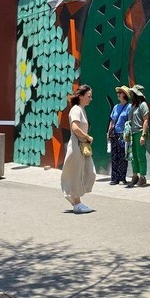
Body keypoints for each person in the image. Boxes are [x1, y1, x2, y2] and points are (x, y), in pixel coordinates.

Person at [60, 85, 96, 213]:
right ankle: (77, 203)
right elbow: (75, 128)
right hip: (77, 146)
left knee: (90, 172)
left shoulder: (81, 109)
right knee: (77, 174)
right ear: (80, 96)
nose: (91, 99)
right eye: (88, 96)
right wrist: (87, 137)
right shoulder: (76, 109)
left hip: (82, 147)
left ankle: (73, 197)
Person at [125, 85, 150, 188]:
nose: (131, 94)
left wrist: (143, 135)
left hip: (140, 132)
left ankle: (142, 177)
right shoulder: (133, 106)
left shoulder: (143, 105)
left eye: (133, 93)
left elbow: (146, 120)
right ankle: (135, 175)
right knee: (133, 155)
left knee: (140, 155)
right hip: (132, 133)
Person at [106, 86, 131, 185]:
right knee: (114, 156)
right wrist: (109, 132)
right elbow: (112, 120)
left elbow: (130, 121)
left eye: (120, 93)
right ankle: (114, 178)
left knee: (123, 156)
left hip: (123, 134)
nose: (118, 94)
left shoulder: (129, 107)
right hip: (114, 134)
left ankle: (122, 177)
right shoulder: (116, 107)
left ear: (124, 95)